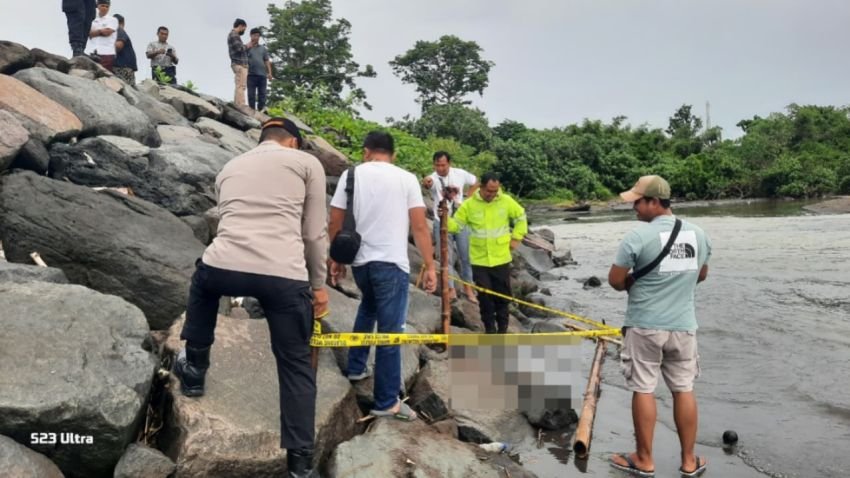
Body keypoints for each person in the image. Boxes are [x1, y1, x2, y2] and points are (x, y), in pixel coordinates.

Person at [173, 118, 329, 478]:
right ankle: (300, 465)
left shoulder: (230, 166)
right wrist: (318, 285)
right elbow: (313, 233)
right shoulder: (307, 164)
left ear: (263, 139)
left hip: (223, 266)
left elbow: (228, 219)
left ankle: (194, 370)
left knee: (203, 283)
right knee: (296, 364)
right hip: (283, 276)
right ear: (293, 142)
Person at [607, 175, 711, 478]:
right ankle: (689, 461)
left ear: (654, 202)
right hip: (684, 326)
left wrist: (635, 281)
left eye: (637, 202)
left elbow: (615, 281)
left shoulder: (637, 237)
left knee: (643, 388)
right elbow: (701, 274)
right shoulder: (699, 234)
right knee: (684, 389)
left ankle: (644, 459)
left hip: (645, 326)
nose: (634, 208)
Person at [328, 131, 437, 421]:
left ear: (366, 151)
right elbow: (420, 227)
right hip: (391, 264)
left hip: (360, 264)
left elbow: (335, 220)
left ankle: (356, 367)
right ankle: (387, 402)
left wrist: (335, 259)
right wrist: (430, 266)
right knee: (391, 332)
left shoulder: (351, 175)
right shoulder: (406, 179)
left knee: (368, 307)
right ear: (394, 154)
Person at [446, 172, 527, 334]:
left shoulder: (506, 201)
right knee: (485, 298)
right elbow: (456, 226)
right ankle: (490, 330)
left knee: (502, 298)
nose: (492, 194)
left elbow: (521, 217)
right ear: (481, 187)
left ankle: (502, 330)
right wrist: (444, 218)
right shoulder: (469, 205)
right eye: (489, 190)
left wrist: (516, 237)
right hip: (479, 260)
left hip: (501, 258)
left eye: (495, 191)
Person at [422, 151, 479, 303]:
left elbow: (475, 181)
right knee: (445, 258)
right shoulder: (433, 178)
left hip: (460, 221)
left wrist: (468, 198)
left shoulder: (460, 174)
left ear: (449, 163)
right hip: (441, 221)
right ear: (434, 165)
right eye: (437, 165)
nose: (440, 168)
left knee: (466, 256)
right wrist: (426, 182)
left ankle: (468, 288)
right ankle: (451, 289)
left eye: (443, 165)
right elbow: (427, 183)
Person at [247, 28, 273, 112]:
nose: (256, 37)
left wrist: (270, 73)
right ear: (251, 36)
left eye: (258, 36)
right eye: (254, 35)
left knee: (262, 95)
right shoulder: (246, 48)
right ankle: (251, 112)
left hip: (262, 75)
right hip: (251, 75)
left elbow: (266, 61)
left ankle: (261, 111)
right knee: (251, 95)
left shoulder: (263, 48)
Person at [87, 0, 118, 71]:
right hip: (93, 52)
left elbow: (107, 33)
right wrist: (101, 31)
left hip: (107, 53)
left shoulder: (112, 20)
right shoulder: (93, 20)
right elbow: (88, 33)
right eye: (102, 6)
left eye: (107, 6)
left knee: (103, 73)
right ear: (98, 6)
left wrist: (96, 32)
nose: (105, 8)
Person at [228, 19, 249, 106]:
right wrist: (247, 46)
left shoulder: (234, 35)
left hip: (239, 64)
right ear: (240, 26)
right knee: (241, 85)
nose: (244, 31)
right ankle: (241, 105)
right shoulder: (234, 35)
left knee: (240, 85)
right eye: (244, 28)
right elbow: (239, 49)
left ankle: (238, 104)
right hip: (239, 64)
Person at [112, 14, 137, 84]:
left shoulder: (119, 30)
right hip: (127, 68)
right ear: (123, 23)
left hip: (122, 68)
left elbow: (119, 46)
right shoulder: (121, 32)